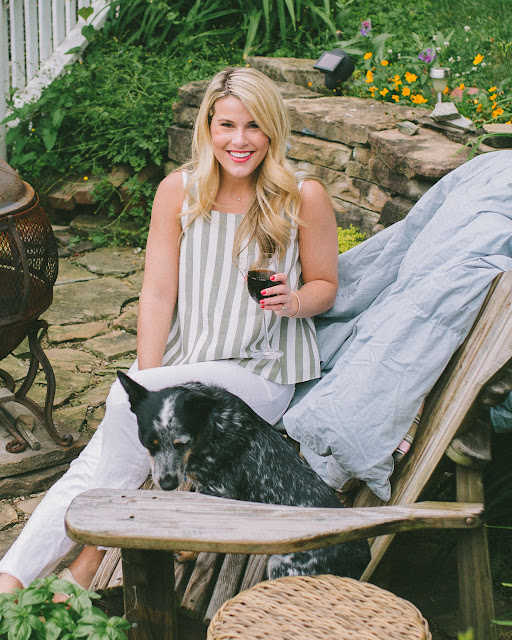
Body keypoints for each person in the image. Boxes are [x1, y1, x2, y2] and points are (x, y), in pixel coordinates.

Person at [0, 67, 338, 594]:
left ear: (273, 129)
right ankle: (12, 578)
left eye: (254, 125)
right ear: (208, 127)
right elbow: (157, 294)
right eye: (227, 125)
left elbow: (325, 285)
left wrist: (294, 301)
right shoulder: (179, 191)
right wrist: (149, 379)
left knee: (118, 421)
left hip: (258, 371)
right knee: (104, 447)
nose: (240, 140)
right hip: (184, 362)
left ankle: (86, 562)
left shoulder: (302, 196)